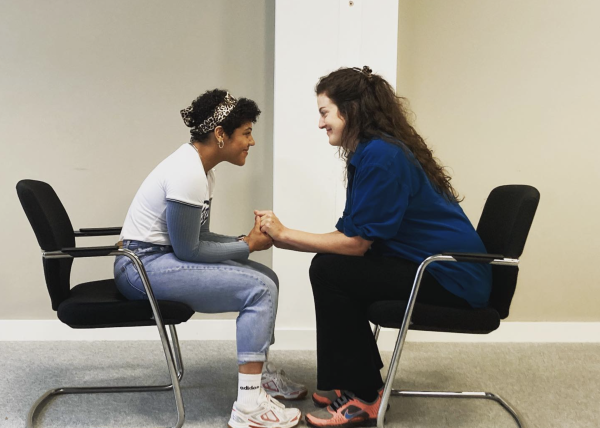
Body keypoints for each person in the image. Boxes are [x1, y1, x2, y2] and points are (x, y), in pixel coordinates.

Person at [255, 67, 492, 428]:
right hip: (432, 267)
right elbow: (353, 234)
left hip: (449, 277)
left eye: (324, 113)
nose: (320, 124)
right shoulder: (373, 152)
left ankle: (364, 396)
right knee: (331, 267)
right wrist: (284, 237)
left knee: (330, 270)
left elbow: (356, 244)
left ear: (349, 111)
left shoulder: (382, 156)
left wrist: (285, 235)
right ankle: (351, 384)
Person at [114, 89, 305, 428]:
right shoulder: (187, 172)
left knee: (267, 278)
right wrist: (248, 245)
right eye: (246, 132)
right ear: (221, 134)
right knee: (259, 289)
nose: (252, 141)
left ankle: (260, 376)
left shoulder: (202, 171)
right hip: (142, 267)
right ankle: (248, 406)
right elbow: (189, 251)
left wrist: (244, 241)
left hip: (158, 259)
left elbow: (196, 239)